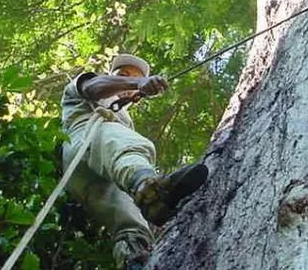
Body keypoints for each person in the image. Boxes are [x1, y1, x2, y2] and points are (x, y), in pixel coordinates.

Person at [60, 54, 208, 270]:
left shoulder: (124, 121)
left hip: (97, 176)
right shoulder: (87, 86)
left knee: (131, 222)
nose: (128, 80)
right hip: (84, 141)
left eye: (134, 78)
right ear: (112, 76)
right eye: (123, 74)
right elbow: (94, 88)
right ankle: (150, 189)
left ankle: (133, 258)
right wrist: (138, 82)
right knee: (132, 147)